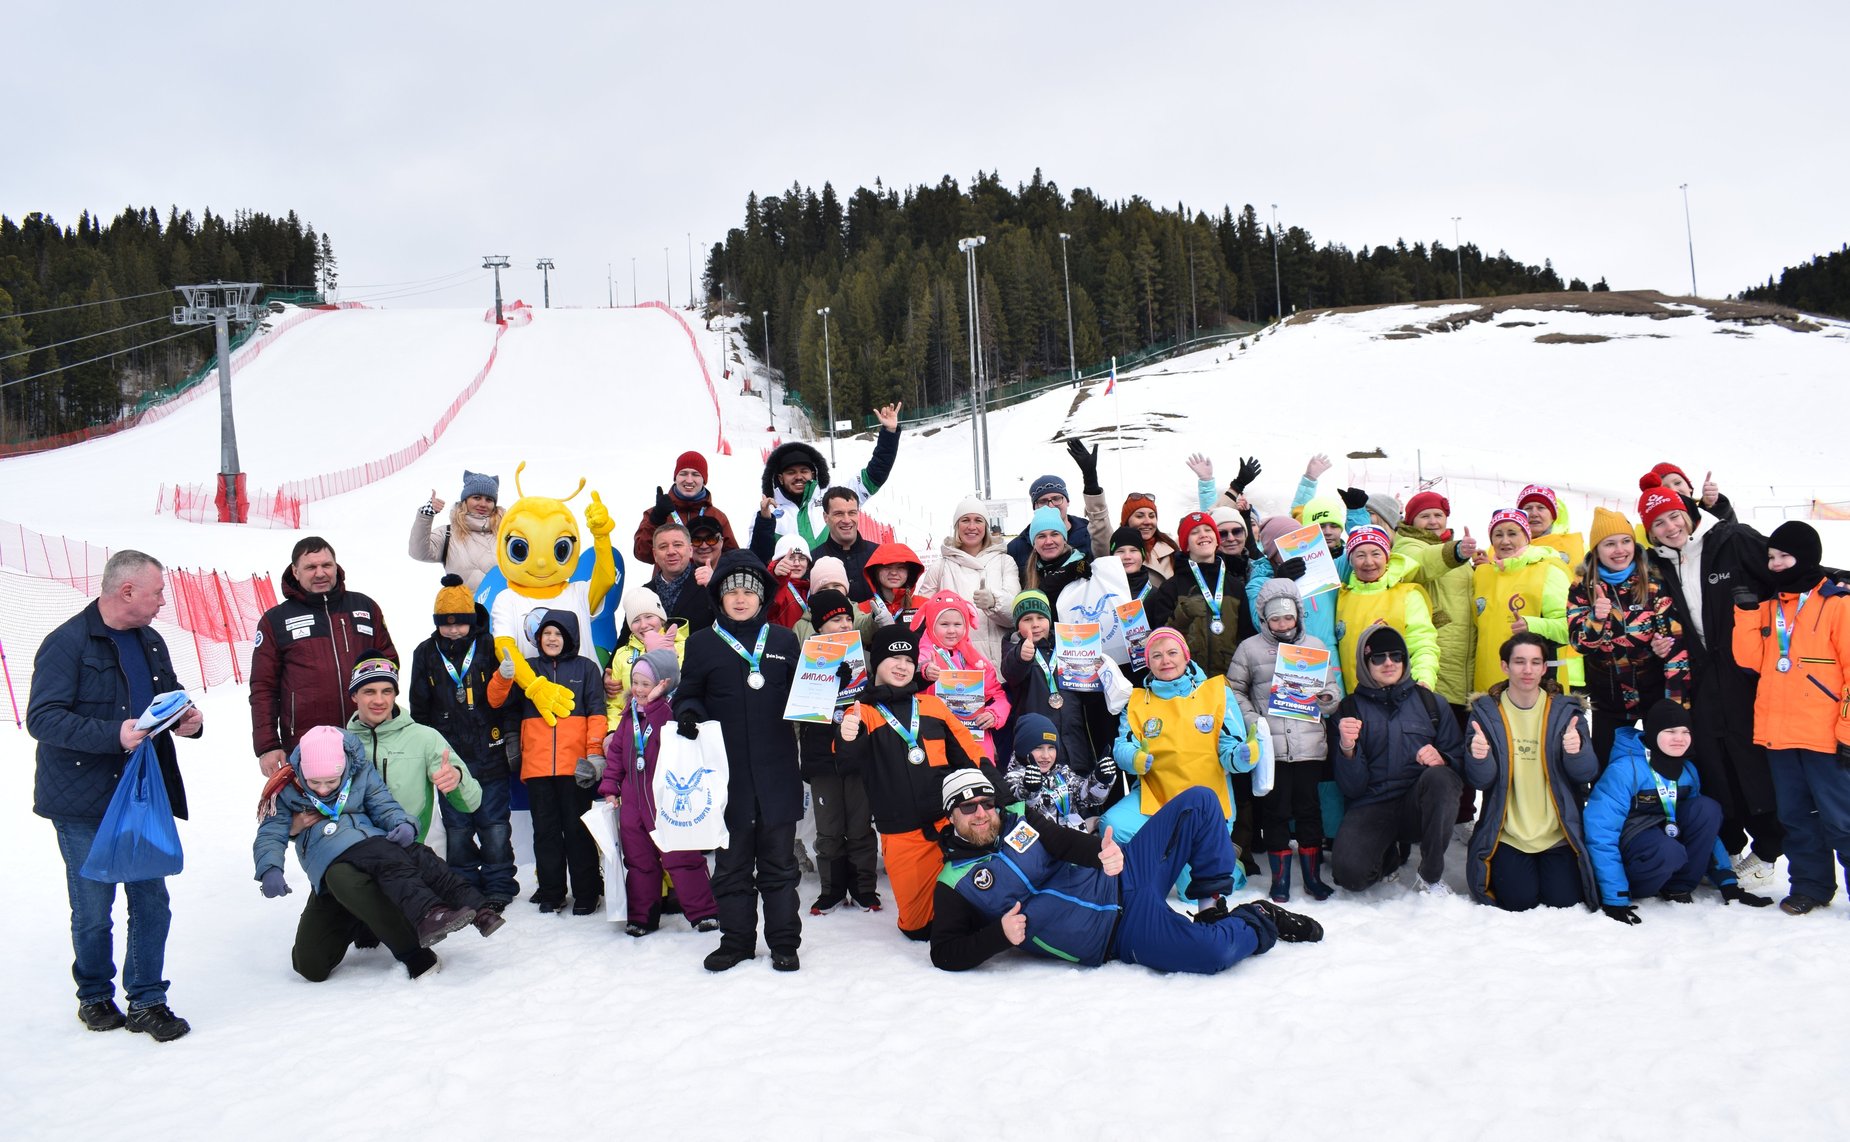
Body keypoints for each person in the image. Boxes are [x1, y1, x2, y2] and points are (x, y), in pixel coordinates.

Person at [28, 550, 203, 1041]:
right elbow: (41, 717)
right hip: (83, 798)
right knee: (92, 905)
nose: (162, 601)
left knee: (151, 899)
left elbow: (171, 694)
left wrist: (187, 720)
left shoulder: (150, 641)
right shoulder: (67, 643)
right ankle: (94, 995)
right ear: (127, 591)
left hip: (143, 794)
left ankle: (148, 1000)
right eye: (157, 592)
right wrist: (114, 734)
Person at [930, 770, 1322, 973]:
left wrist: (1102, 853)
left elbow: (1064, 842)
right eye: (968, 809)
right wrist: (997, 936)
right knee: (1213, 951)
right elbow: (944, 953)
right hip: (1117, 934)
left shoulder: (1018, 818)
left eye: (986, 803)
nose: (981, 814)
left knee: (1200, 800)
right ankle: (1259, 917)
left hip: (1125, 874)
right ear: (951, 816)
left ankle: (1212, 908)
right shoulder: (954, 883)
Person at [1640, 478, 1784, 878]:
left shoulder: (1730, 540)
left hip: (1745, 672)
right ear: (1650, 532)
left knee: (1752, 759)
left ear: (1688, 512)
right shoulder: (1656, 566)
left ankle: (1770, 849)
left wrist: (1830, 579)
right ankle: (1730, 848)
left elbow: (1783, 566)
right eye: (1659, 524)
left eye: (1674, 516)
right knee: (1712, 762)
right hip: (1699, 678)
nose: (1671, 528)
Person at [256, 726, 501, 952]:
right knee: (391, 863)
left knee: (423, 857)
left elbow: (383, 804)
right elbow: (270, 832)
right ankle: (428, 914)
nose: (322, 789)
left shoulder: (359, 771)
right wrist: (269, 868)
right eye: (314, 782)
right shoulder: (286, 789)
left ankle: (480, 911)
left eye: (331, 782)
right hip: (331, 851)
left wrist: (403, 824)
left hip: (371, 839)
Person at [674, 551, 805, 971]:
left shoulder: (784, 640)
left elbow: (805, 696)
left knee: (780, 867)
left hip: (777, 774)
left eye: (750, 590)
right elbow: (687, 692)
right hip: (725, 779)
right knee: (731, 868)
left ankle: (784, 943)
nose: (742, 598)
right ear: (719, 596)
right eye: (732, 591)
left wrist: (830, 684)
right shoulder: (701, 643)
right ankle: (735, 942)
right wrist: (689, 713)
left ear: (763, 595)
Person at [1730, 521, 1850, 915]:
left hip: (1826, 736)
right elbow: (1750, 661)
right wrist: (1746, 613)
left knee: (1842, 820)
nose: (1777, 564)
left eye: (1785, 556)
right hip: (1779, 735)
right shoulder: (1769, 606)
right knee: (1796, 818)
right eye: (1772, 557)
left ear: (1807, 557)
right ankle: (1811, 887)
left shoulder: (1839, 604)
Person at [835, 624, 985, 940]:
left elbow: (972, 757)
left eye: (909, 659)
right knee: (917, 928)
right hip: (903, 835)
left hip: (951, 829)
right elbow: (846, 760)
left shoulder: (932, 706)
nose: (903, 666)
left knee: (975, 909)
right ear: (877, 662)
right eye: (894, 658)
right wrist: (847, 735)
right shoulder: (864, 712)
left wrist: (999, 793)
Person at [1583, 701, 1772, 924]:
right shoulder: (1625, 770)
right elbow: (1600, 832)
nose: (1679, 738)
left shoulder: (1687, 770)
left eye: (1685, 732)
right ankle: (1640, 885)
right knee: (1668, 850)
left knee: (1707, 808)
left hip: (1665, 843)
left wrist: (1727, 882)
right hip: (1636, 851)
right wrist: (1615, 895)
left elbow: (1707, 832)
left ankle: (1678, 886)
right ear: (1652, 733)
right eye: (1670, 731)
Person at [1462, 633, 1598, 911]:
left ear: (1544, 668)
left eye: (1536, 662)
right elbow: (1481, 780)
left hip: (1557, 836)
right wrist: (1479, 757)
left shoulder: (1565, 711)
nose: (1528, 670)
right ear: (1505, 666)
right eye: (1520, 662)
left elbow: (1585, 773)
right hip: (1510, 835)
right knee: (1517, 900)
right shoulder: (1487, 713)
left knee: (1563, 900)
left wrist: (1576, 751)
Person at [1328, 624, 1465, 895]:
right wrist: (1347, 749)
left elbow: (1460, 763)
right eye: (1378, 657)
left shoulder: (1431, 703)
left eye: (1396, 656)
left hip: (1417, 805)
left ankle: (1431, 875)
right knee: (1349, 875)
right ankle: (1387, 855)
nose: (1389, 663)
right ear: (1365, 663)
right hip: (1372, 804)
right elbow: (1352, 788)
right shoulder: (1349, 709)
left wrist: (1444, 759)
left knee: (1441, 778)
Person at [408, 574, 519, 909]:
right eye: (446, 625)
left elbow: (509, 699)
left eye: (460, 624)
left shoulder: (489, 647)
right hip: (449, 759)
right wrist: (427, 752)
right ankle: (465, 884)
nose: (454, 630)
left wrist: (512, 736)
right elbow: (419, 707)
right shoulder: (425, 653)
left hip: (491, 753)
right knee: (458, 828)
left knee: (495, 824)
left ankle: (499, 883)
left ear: (472, 621)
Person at [1106, 627, 1258, 871]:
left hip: (1206, 806)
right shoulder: (1136, 701)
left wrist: (1242, 757)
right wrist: (1135, 758)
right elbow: (1123, 746)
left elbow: (1231, 748)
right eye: (1156, 655)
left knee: (1192, 893)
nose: (1165, 660)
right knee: (1112, 826)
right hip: (1155, 801)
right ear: (1148, 662)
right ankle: (1153, 873)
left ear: (1186, 656)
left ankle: (1229, 864)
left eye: (1172, 653)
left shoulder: (1216, 692)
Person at [1228, 579, 1338, 902]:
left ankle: (1313, 877)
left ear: (1298, 616)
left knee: (1309, 811)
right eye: (1274, 619)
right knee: (1275, 812)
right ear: (1263, 618)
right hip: (1271, 748)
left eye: (1287, 618)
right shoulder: (1249, 649)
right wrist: (1254, 721)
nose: (1282, 624)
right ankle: (1280, 881)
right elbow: (1234, 690)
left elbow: (1333, 694)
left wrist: (1326, 696)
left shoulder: (1316, 647)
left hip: (1308, 747)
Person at [488, 612, 605, 914]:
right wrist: (503, 677)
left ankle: (587, 893)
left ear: (570, 638)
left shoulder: (586, 668)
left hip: (575, 766)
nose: (552, 639)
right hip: (538, 767)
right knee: (546, 833)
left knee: (578, 832)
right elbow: (501, 704)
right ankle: (552, 892)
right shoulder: (527, 670)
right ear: (538, 638)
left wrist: (593, 754)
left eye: (559, 633)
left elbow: (596, 713)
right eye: (546, 633)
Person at [251, 536, 397, 777]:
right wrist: (268, 745)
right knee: (314, 815)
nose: (320, 573)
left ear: (336, 567)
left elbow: (389, 665)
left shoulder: (365, 607)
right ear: (295, 572)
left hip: (368, 737)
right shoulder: (275, 621)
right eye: (311, 567)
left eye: (326, 565)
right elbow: (263, 688)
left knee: (375, 809)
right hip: (308, 744)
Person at [599, 648, 719, 936]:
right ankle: (642, 917)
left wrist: (654, 703)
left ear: (664, 684)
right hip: (632, 804)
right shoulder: (628, 715)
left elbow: (677, 740)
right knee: (639, 862)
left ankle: (704, 912)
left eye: (646, 684)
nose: (639, 689)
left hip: (667, 803)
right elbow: (616, 754)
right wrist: (610, 786)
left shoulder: (670, 711)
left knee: (682, 858)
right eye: (636, 682)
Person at [1566, 507, 1687, 768]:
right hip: (1609, 696)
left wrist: (1676, 704)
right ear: (1596, 550)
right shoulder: (1582, 587)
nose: (1619, 550)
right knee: (1606, 768)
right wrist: (1596, 619)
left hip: (1653, 691)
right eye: (1609, 544)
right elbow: (1579, 644)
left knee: (1666, 766)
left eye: (1625, 541)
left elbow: (1673, 638)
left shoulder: (1653, 579)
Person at [795, 589, 881, 914]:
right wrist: (830, 680)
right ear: (819, 627)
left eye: (847, 618)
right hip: (822, 759)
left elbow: (871, 702)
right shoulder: (807, 660)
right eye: (835, 620)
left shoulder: (860, 657)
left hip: (857, 757)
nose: (844, 625)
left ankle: (864, 888)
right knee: (829, 829)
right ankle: (831, 889)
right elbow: (803, 709)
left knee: (860, 826)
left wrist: (859, 686)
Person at [344, 655, 482, 844]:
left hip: (410, 850)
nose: (379, 700)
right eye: (369, 691)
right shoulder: (340, 743)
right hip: (357, 851)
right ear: (354, 695)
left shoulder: (424, 737)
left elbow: (472, 802)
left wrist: (457, 779)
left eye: (387, 691)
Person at [1001, 589, 1123, 781]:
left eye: (1040, 617)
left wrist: (1094, 675)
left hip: (1074, 738)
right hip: (1039, 747)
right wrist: (1021, 656)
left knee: (1078, 792)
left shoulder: (1068, 646)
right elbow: (1010, 673)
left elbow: (1087, 698)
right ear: (1017, 626)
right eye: (1027, 619)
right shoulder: (1014, 649)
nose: (1035, 624)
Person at [760, 404, 903, 549]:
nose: (798, 477)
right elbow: (758, 556)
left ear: (813, 475)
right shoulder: (767, 512)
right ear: (780, 478)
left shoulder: (833, 497)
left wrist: (889, 434)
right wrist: (764, 521)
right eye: (791, 472)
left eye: (804, 471)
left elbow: (874, 475)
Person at [1469, 508, 1571, 694]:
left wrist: (1531, 624)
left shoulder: (1548, 571)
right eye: (1498, 534)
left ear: (1526, 536)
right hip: (1488, 687)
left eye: (1513, 533)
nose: (1505, 541)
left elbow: (1569, 628)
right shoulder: (1482, 574)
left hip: (1539, 688)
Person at [1334, 524, 1439, 694]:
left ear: (1387, 557)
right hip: (1354, 704)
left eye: (1376, 554)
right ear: (1351, 561)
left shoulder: (1407, 595)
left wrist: (1424, 680)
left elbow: (1423, 644)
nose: (1369, 562)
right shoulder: (1341, 597)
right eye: (1360, 555)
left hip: (1400, 702)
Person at [916, 495, 1019, 663]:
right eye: (965, 520)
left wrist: (995, 602)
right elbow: (922, 617)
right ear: (957, 526)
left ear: (985, 526)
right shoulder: (940, 567)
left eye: (978, 520)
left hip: (1000, 664)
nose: (972, 526)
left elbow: (1016, 616)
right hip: (954, 667)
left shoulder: (1004, 562)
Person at [913, 590, 1011, 763]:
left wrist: (994, 714)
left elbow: (998, 696)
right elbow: (910, 688)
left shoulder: (976, 661)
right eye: (944, 624)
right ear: (930, 623)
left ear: (966, 625)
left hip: (974, 740)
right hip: (936, 740)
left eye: (958, 624)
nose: (952, 631)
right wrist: (924, 673)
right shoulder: (921, 658)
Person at [1003, 712, 1114, 830]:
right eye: (1038, 748)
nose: (1046, 756)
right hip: (1038, 841)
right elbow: (1021, 802)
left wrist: (1100, 780)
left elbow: (1087, 797)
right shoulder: (1013, 777)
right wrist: (1029, 789)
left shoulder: (1061, 773)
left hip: (1073, 836)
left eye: (1051, 748)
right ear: (1023, 749)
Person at [771, 486, 877, 603]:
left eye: (852, 513)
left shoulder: (877, 555)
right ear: (825, 517)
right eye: (839, 514)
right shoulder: (811, 562)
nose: (846, 520)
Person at [634, 450, 738, 563]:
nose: (689, 480)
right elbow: (642, 554)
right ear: (675, 478)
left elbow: (733, 559)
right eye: (683, 473)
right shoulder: (657, 513)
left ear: (704, 480)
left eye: (696, 474)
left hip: (707, 580)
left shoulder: (717, 516)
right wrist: (656, 519)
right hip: (669, 580)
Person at [409, 470, 505, 590]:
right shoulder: (448, 534)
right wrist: (426, 514)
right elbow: (418, 552)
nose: (483, 504)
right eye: (476, 497)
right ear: (465, 500)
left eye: (489, 500)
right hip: (468, 607)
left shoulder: (506, 532)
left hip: (508, 607)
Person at [1006, 470, 1092, 575]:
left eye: (1057, 499)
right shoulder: (1017, 547)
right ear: (1035, 507)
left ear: (1067, 501)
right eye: (1043, 501)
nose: (1051, 506)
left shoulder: (1090, 533)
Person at [644, 522, 715, 633]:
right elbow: (623, 644)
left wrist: (716, 588)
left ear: (690, 550)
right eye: (663, 547)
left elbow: (731, 626)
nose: (671, 552)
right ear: (655, 555)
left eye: (677, 545)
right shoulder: (644, 593)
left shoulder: (709, 584)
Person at [1640, 462, 1736, 525]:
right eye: (1665, 488)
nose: (1674, 490)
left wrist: (1712, 506)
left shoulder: (1707, 510)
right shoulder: (1652, 526)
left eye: (1677, 483)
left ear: (1689, 487)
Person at [859, 541, 925, 626]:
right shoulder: (862, 610)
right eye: (887, 567)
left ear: (909, 573)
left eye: (900, 568)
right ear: (875, 572)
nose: (893, 573)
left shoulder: (925, 606)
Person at [766, 534, 813, 628]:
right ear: (778, 562)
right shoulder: (773, 587)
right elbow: (767, 608)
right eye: (791, 558)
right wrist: (776, 576)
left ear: (808, 564)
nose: (797, 563)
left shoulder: (812, 589)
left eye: (802, 558)